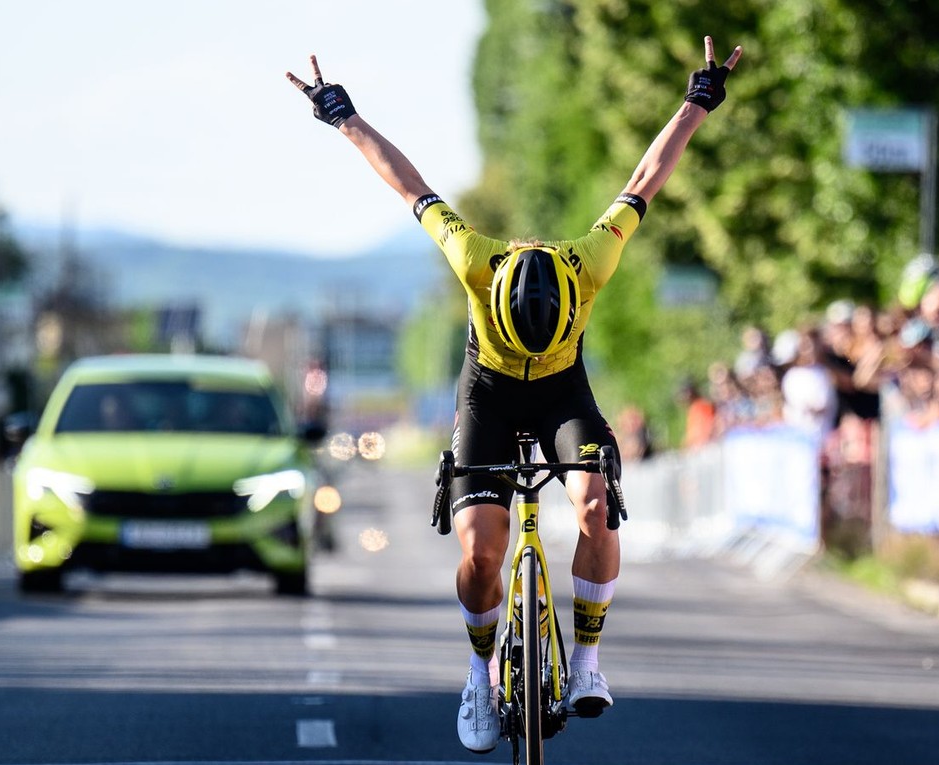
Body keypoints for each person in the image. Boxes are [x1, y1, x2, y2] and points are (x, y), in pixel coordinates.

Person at [290, 37, 742, 753]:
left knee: (597, 506)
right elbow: (407, 183)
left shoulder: (589, 261)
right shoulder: (472, 256)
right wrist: (342, 116)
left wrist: (697, 103)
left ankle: (588, 665)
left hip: (563, 392)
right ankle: (478, 671)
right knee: (482, 548)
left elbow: (647, 177)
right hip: (489, 397)